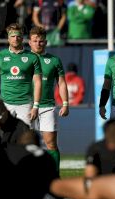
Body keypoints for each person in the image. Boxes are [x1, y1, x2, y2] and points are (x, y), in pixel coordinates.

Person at [28, 26, 69, 171]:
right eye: (35, 41)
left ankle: (54, 176)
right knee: (27, 144)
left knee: (50, 144)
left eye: (41, 41)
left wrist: (65, 103)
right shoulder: (23, 59)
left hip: (47, 106)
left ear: (45, 42)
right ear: (29, 42)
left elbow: (62, 83)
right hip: (26, 107)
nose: (38, 43)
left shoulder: (54, 60)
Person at [0, 22, 42, 127]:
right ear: (8, 38)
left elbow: (38, 82)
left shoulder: (32, 57)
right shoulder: (0, 56)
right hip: (5, 105)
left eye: (18, 36)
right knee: (4, 137)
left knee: (25, 138)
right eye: (12, 36)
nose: (15, 38)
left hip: (26, 104)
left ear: (22, 38)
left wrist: (36, 106)